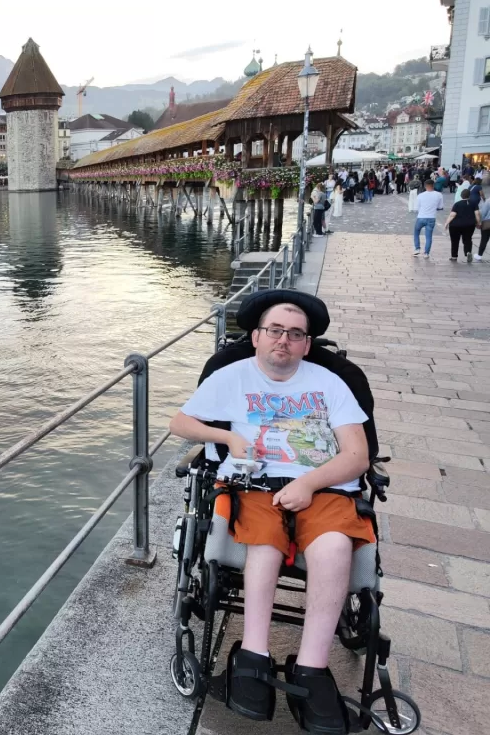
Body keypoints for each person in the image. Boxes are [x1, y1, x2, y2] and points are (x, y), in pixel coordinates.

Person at [169, 293, 371, 734]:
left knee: (335, 547)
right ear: (257, 337)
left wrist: (308, 483)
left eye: (295, 334)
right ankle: (254, 653)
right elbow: (180, 423)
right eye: (275, 331)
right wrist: (225, 438)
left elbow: (358, 455)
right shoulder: (231, 377)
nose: (284, 339)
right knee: (263, 545)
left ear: (306, 344)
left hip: (324, 485)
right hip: (255, 482)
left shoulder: (332, 383)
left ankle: (313, 669)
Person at [445, 188, 482, 262]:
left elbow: (452, 215)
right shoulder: (474, 203)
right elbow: (477, 213)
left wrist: (446, 223)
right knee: (467, 239)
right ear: (470, 195)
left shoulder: (457, 204)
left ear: (461, 196)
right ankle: (468, 252)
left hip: (455, 225)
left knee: (455, 241)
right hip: (469, 225)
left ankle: (454, 256)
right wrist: (478, 223)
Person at [414, 179, 444, 258]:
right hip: (431, 217)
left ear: (425, 186)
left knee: (416, 232)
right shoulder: (439, 195)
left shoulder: (420, 195)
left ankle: (417, 249)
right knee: (429, 236)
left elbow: (417, 207)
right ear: (433, 185)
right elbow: (440, 207)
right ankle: (426, 253)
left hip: (421, 217)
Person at [478, 189, 490, 261]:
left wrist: (480, 222)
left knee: (484, 240)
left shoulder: (488, 201)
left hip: (487, 223)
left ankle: (479, 255)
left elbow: (483, 212)